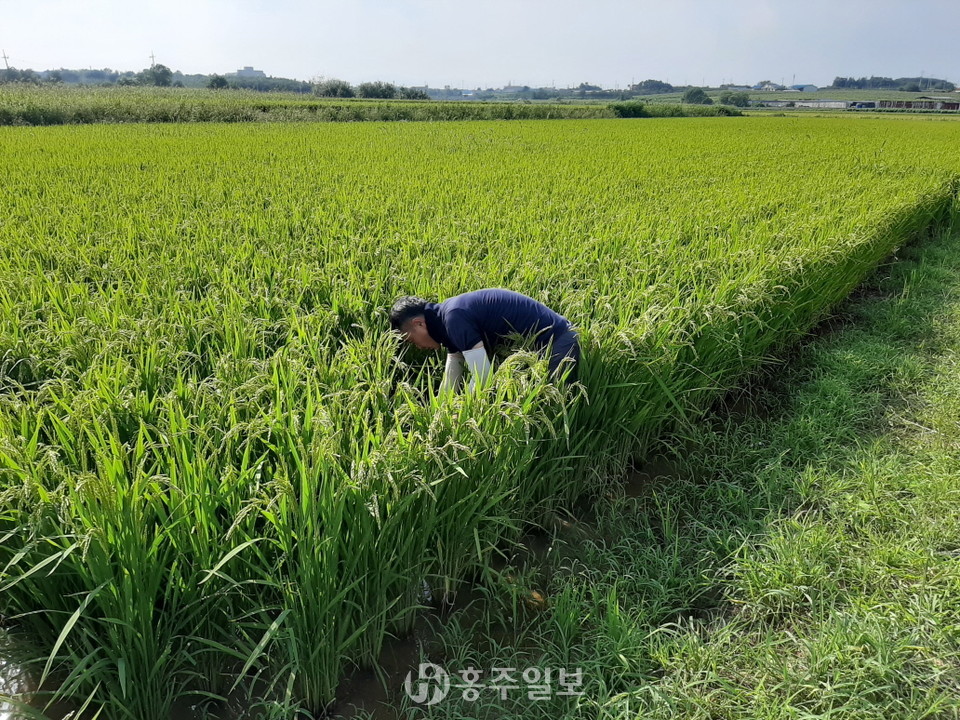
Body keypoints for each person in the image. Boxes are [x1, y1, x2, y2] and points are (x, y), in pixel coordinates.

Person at [390, 288, 580, 392]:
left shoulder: (454, 318)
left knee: (554, 402)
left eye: (411, 340)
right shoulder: (445, 321)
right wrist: (441, 411)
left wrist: (461, 413)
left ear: (419, 324)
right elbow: (451, 376)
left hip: (559, 341)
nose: (417, 346)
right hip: (540, 347)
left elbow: (484, 378)